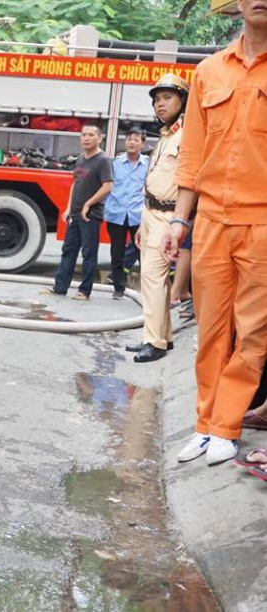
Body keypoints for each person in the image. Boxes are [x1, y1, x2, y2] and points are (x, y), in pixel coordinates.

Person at [166, 0, 267, 467]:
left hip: (262, 222)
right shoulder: (208, 71)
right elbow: (191, 154)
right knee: (210, 330)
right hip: (209, 220)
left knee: (252, 333)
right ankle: (204, 425)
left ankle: (225, 426)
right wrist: (178, 220)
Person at [126, 74, 189, 364]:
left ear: (183, 101)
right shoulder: (166, 134)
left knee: (152, 278)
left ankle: (154, 342)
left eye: (167, 98)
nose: (159, 104)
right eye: (156, 99)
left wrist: (180, 221)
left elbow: (189, 181)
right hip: (151, 212)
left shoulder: (188, 135)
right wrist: (143, 222)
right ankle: (163, 335)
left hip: (169, 215)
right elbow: (155, 180)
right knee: (157, 281)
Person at [43, 125, 113, 300]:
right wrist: (69, 208)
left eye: (91, 135)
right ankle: (60, 287)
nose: (86, 138)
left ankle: (84, 291)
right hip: (75, 214)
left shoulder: (103, 160)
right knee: (68, 250)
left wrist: (89, 204)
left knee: (88, 253)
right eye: (83, 135)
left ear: (100, 138)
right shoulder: (81, 158)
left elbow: (107, 186)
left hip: (90, 215)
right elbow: (76, 183)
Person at [104, 126, 148, 300]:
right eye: (129, 139)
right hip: (117, 214)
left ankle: (148, 291)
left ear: (142, 144)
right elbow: (107, 186)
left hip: (139, 216)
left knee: (143, 254)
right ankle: (118, 288)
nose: (132, 142)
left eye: (136, 139)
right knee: (117, 253)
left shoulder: (148, 165)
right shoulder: (115, 163)